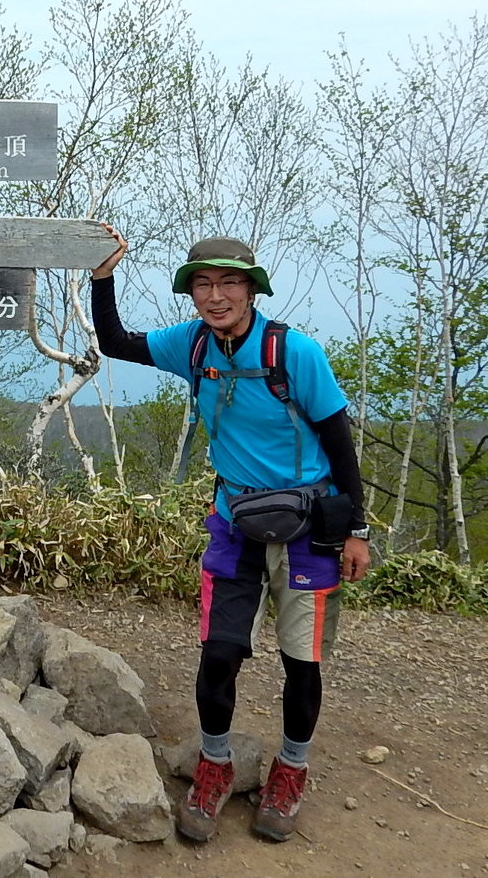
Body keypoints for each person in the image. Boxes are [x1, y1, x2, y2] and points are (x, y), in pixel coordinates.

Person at [88, 229, 370, 843]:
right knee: (220, 653)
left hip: (309, 526)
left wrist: (357, 529)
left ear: (251, 288)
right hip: (235, 521)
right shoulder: (192, 346)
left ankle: (290, 771)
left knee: (303, 661)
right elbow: (114, 342)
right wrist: (102, 275)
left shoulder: (295, 353)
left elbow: (339, 440)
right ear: (192, 294)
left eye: (229, 282)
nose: (216, 296)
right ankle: (215, 764)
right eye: (203, 285)